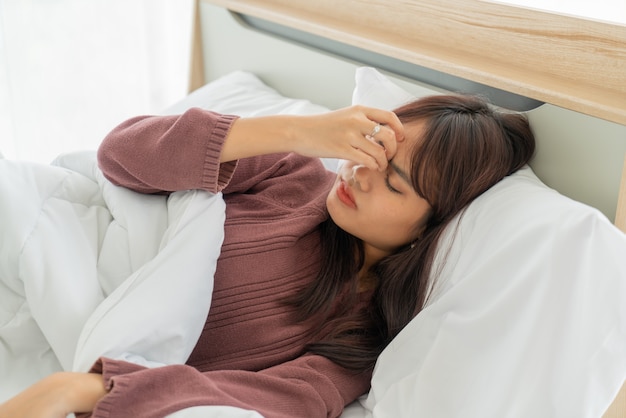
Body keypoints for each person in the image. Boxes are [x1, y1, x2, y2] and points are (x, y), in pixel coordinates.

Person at [0, 94, 535, 418]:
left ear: (430, 229)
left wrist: (87, 389)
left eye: (392, 183)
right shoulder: (298, 174)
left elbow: (281, 400)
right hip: (49, 246)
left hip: (71, 353)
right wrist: (300, 132)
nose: (359, 172)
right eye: (372, 147)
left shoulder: (362, 337)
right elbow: (119, 155)